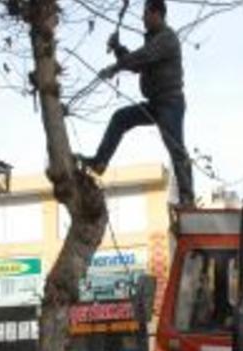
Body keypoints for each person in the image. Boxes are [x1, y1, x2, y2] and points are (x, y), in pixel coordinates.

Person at [77, 0, 194, 206]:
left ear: (156, 13)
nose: (142, 18)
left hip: (170, 102)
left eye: (145, 13)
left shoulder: (167, 39)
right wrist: (118, 48)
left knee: (175, 147)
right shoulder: (155, 39)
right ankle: (100, 162)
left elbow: (142, 57)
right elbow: (137, 64)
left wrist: (115, 66)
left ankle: (187, 198)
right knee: (120, 118)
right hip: (156, 103)